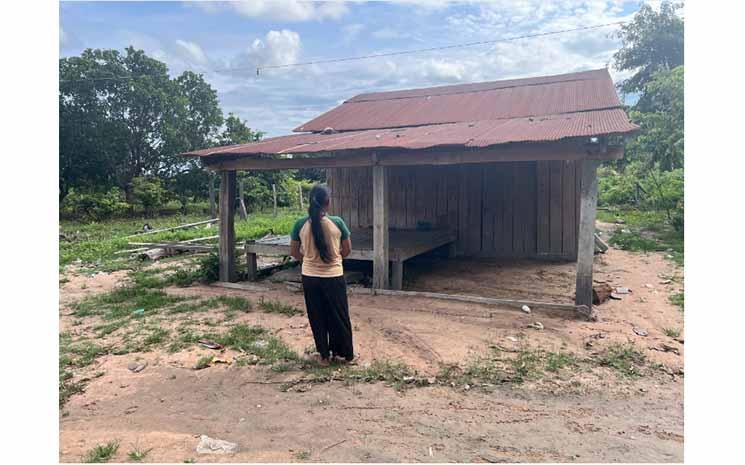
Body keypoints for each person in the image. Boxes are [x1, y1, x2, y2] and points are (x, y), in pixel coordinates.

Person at [290, 184, 354, 366]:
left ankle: (324, 357)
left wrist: (310, 261)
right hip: (334, 276)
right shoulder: (338, 222)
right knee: (339, 315)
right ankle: (344, 355)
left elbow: (294, 252)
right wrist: (334, 260)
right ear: (328, 203)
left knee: (317, 316)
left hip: (310, 277)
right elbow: (347, 249)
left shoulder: (300, 224)